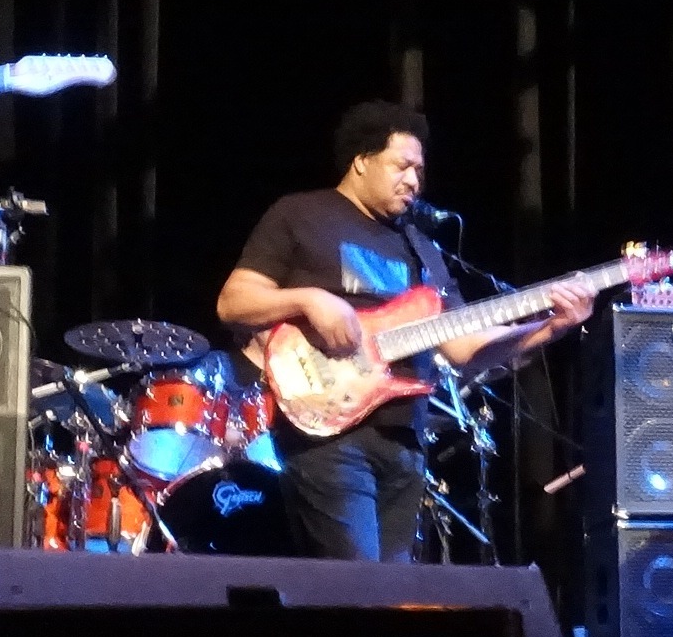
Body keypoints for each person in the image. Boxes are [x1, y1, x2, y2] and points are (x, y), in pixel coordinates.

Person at [216, 101, 591, 561]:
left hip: (405, 444)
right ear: (361, 161)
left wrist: (550, 327)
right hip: (327, 434)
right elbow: (233, 301)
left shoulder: (421, 249)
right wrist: (310, 299)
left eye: (419, 171)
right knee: (358, 586)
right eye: (402, 166)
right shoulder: (301, 214)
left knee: (394, 591)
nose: (414, 180)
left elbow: (464, 348)